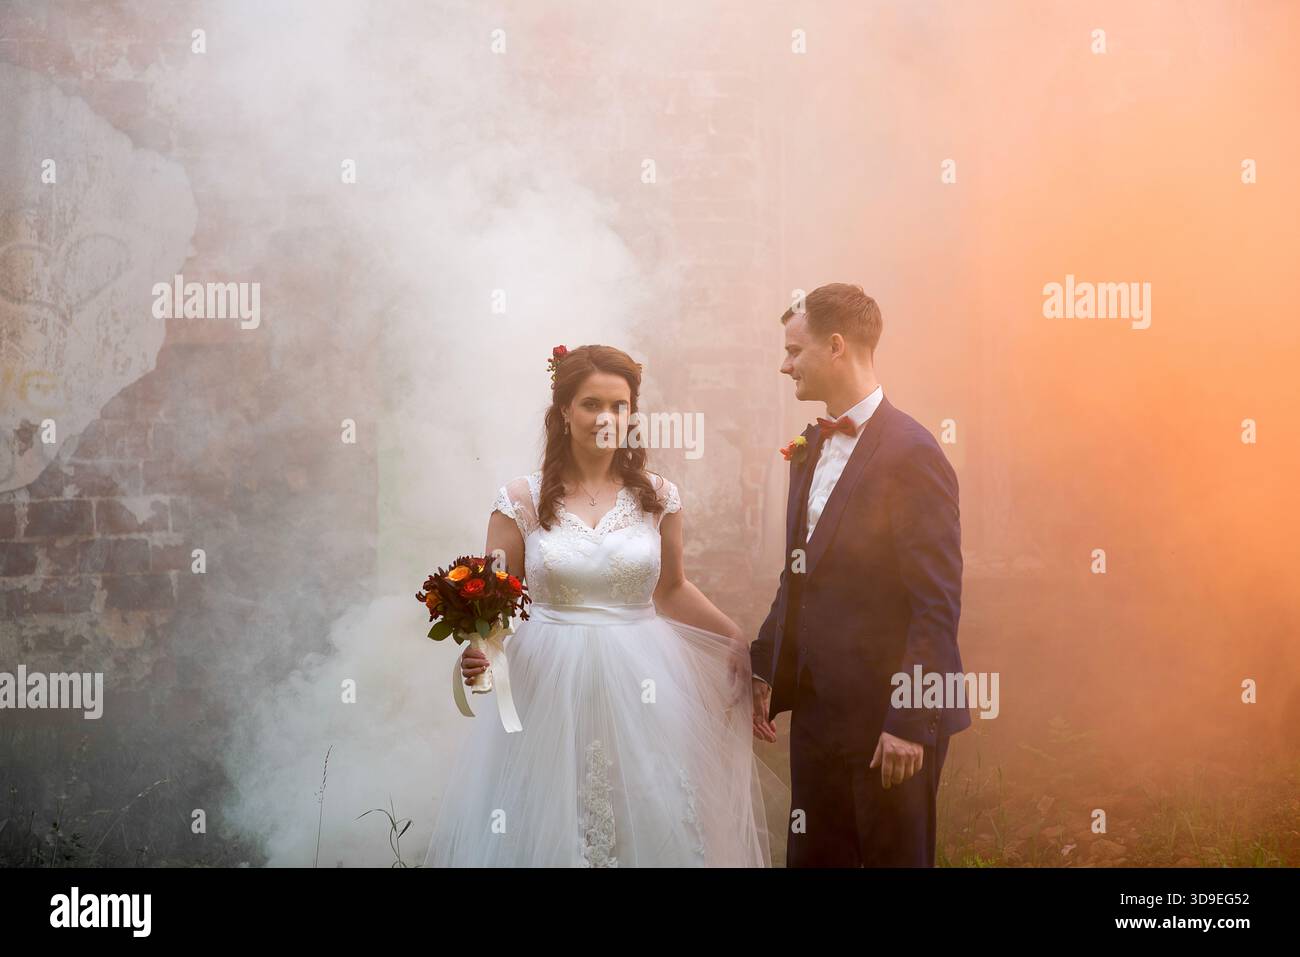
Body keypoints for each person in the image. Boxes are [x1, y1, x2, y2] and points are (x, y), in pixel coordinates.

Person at [424, 344, 783, 867]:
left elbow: (673, 588)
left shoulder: (659, 497)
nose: (607, 419)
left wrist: (736, 639)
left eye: (619, 406)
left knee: (650, 807)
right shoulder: (519, 501)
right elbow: (495, 604)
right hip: (547, 679)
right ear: (564, 410)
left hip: (645, 679)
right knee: (546, 817)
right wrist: (480, 652)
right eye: (592, 404)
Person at [750, 283, 971, 867]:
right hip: (821, 714)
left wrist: (910, 723)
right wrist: (764, 664)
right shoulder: (809, 446)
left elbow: (937, 605)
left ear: (837, 347)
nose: (784, 364)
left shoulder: (913, 453)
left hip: (888, 724)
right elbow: (800, 572)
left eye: (795, 351)